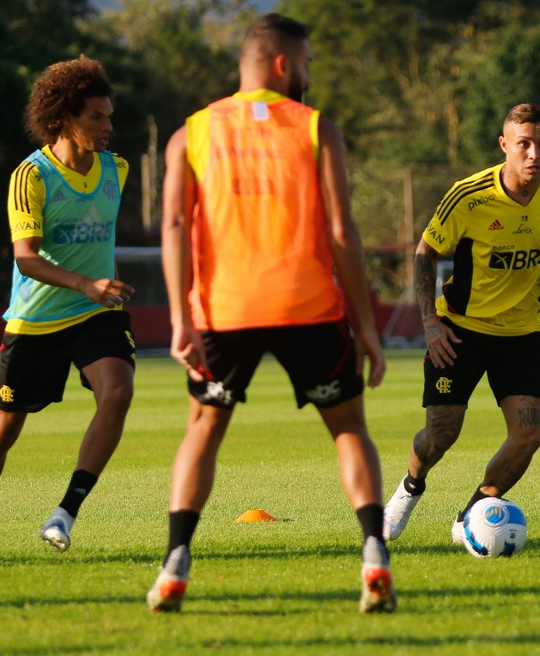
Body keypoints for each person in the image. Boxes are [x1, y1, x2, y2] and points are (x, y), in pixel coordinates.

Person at [146, 13, 394, 614]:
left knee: (203, 429)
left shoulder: (191, 134)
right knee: (349, 429)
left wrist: (181, 316)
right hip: (309, 305)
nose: (307, 75)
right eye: (306, 63)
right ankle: (373, 554)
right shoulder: (316, 130)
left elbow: (174, 226)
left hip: (223, 312)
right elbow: (341, 230)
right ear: (283, 64)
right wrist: (365, 325)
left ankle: (176, 559)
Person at [0, 56, 136, 558]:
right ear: (62, 118)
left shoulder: (117, 169)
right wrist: (85, 283)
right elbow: (25, 259)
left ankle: (65, 513)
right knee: (2, 431)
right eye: (97, 116)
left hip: (97, 313)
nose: (109, 126)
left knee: (117, 391)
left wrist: (95, 291)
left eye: (110, 115)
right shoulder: (31, 176)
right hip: (37, 320)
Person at [383, 103, 540, 546]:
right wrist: (430, 323)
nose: (535, 153)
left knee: (529, 434)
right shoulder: (469, 196)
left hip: (521, 335)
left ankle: (471, 517)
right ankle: (409, 489)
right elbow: (425, 253)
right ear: (505, 145)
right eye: (525, 144)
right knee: (441, 434)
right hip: (459, 331)